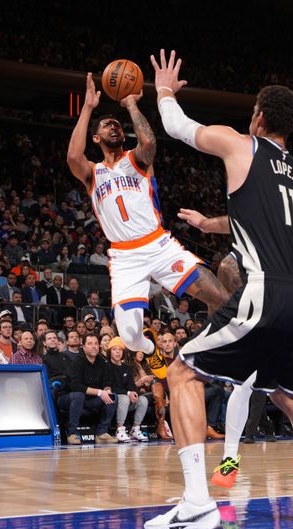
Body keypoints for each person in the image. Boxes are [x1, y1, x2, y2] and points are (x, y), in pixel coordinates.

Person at [144, 51, 293, 529]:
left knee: (183, 373)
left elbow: (180, 127)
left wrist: (163, 90)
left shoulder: (240, 143)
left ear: (260, 116)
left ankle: (198, 502)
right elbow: (270, 225)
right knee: (291, 395)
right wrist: (212, 223)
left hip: (264, 290)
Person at [66, 72, 229, 368]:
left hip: (158, 245)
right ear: (96, 137)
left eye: (117, 125)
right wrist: (88, 107)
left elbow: (150, 142)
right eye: (107, 125)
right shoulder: (93, 173)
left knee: (220, 298)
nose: (114, 127)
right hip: (124, 257)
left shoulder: (136, 159)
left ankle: (226, 352)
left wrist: (131, 105)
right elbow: (73, 157)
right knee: (129, 337)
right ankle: (150, 345)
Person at [58, 334, 117, 445]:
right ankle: (72, 433)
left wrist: (107, 390)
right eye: (89, 344)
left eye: (95, 343)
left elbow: (107, 382)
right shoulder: (77, 362)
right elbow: (76, 386)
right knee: (79, 395)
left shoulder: (102, 361)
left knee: (112, 396)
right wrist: (99, 392)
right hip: (68, 398)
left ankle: (102, 433)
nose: (93, 346)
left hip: (89, 399)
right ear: (83, 347)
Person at [107, 337, 149, 442]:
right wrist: (128, 393)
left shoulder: (126, 368)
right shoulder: (106, 366)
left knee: (143, 400)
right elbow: (110, 387)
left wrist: (133, 393)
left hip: (127, 399)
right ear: (110, 352)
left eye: (120, 349)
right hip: (114, 399)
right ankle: (119, 430)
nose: (117, 352)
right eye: (114, 349)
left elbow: (131, 386)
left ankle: (135, 429)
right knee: (125, 398)